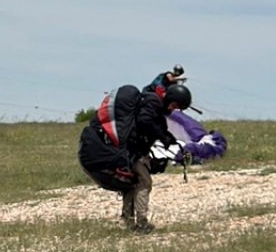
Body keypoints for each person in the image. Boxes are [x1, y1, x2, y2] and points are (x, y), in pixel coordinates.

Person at [78, 83, 192, 233]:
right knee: (144, 181)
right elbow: (145, 122)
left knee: (133, 183)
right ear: (170, 99)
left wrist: (167, 139)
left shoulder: (151, 104)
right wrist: (162, 136)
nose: (173, 109)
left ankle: (128, 221)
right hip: (129, 153)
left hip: (129, 152)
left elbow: (150, 127)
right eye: (174, 105)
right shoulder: (154, 102)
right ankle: (142, 223)